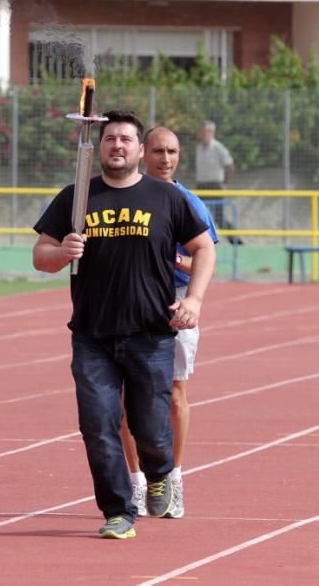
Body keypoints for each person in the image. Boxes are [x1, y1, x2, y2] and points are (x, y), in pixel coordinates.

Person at [32, 110, 216, 540]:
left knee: (150, 427)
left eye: (126, 139)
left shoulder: (166, 198)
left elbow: (204, 247)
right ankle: (118, 509)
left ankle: (158, 474)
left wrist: (194, 299)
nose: (118, 145)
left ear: (138, 149)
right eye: (110, 138)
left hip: (150, 334)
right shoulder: (77, 198)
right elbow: (41, 253)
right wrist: (62, 254)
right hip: (93, 334)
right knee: (98, 423)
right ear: (100, 148)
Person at [119, 126, 218, 521]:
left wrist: (172, 263)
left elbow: (203, 258)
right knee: (127, 400)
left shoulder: (187, 201)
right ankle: (137, 481)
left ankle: (174, 478)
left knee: (174, 395)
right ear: (143, 153)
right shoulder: (126, 196)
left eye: (172, 151)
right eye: (158, 150)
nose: (165, 158)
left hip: (174, 307)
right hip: (129, 308)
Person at [194, 120, 240, 244]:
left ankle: (236, 241)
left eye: (207, 132)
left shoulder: (218, 147)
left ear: (212, 133)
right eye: (202, 132)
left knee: (219, 217)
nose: (204, 134)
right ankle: (197, 243)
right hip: (201, 186)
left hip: (215, 185)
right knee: (196, 214)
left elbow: (230, 166)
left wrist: (225, 183)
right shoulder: (198, 148)